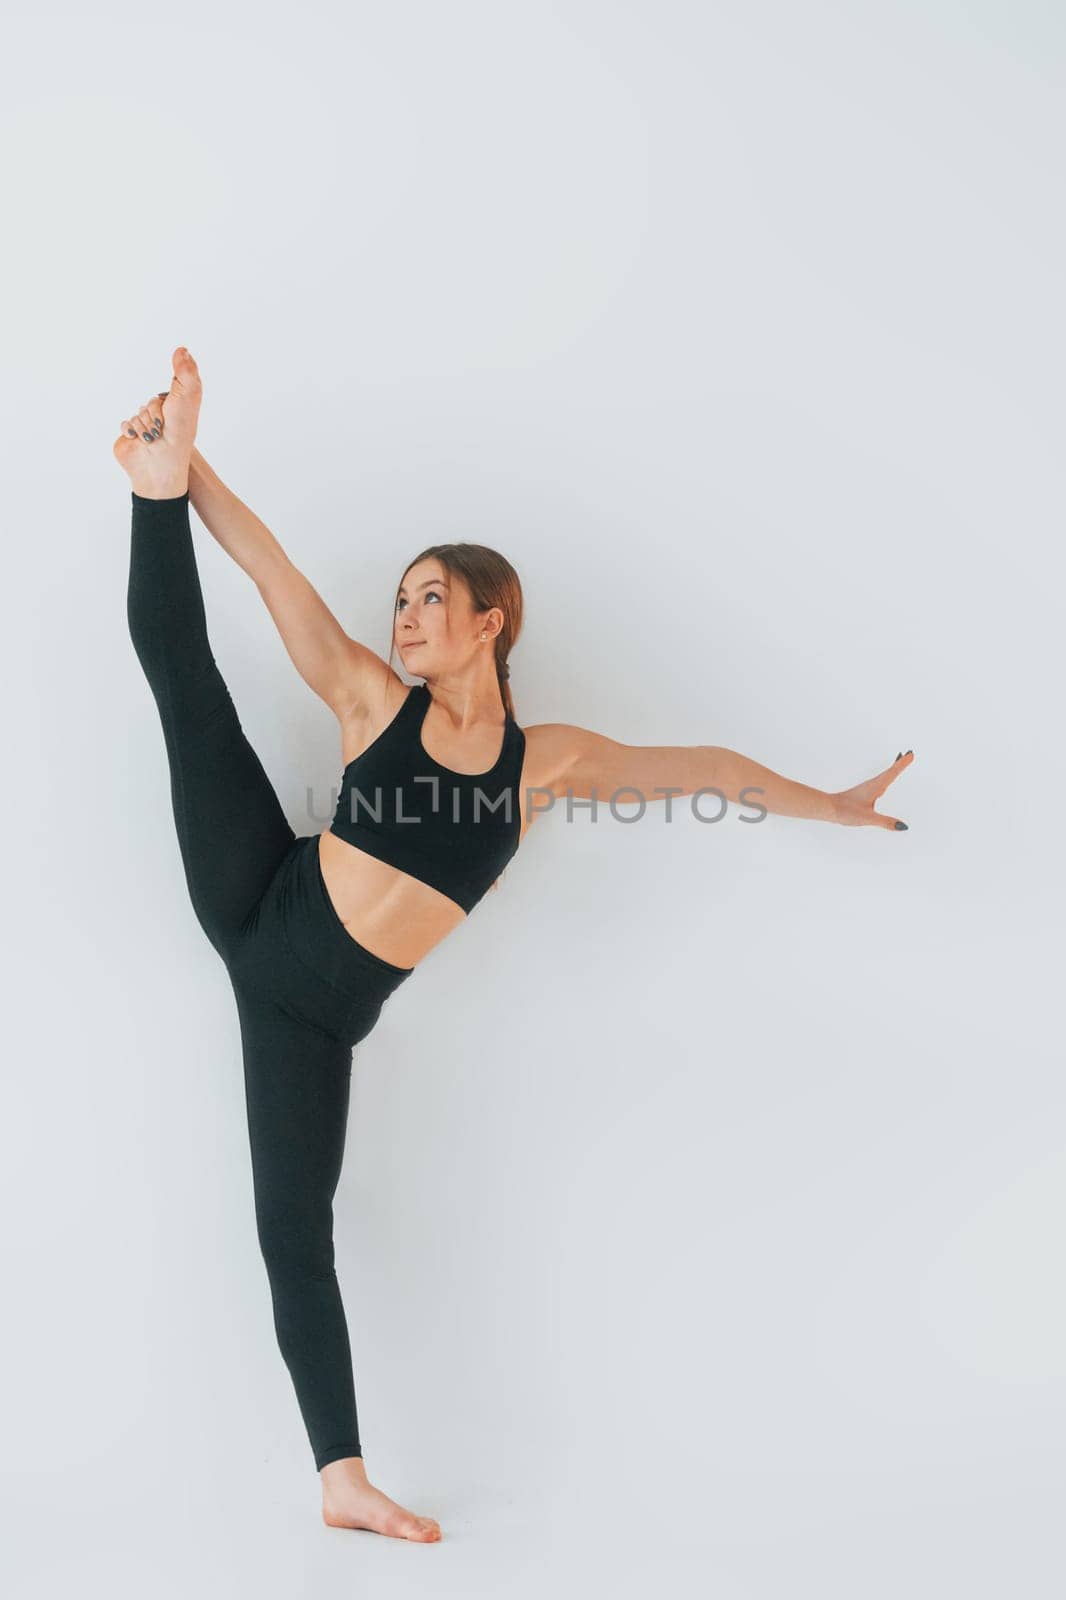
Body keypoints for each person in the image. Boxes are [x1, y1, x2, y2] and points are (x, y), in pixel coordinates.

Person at [115, 347, 914, 1542]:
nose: (406, 614)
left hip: (310, 1016)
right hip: (258, 890)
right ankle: (146, 492)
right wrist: (189, 469)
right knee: (187, 685)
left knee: (296, 1226)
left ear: (492, 619)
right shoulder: (368, 704)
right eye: (402, 598)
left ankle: (341, 1481)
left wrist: (830, 804)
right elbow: (270, 571)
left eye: (430, 596)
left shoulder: (546, 765)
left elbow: (704, 770)